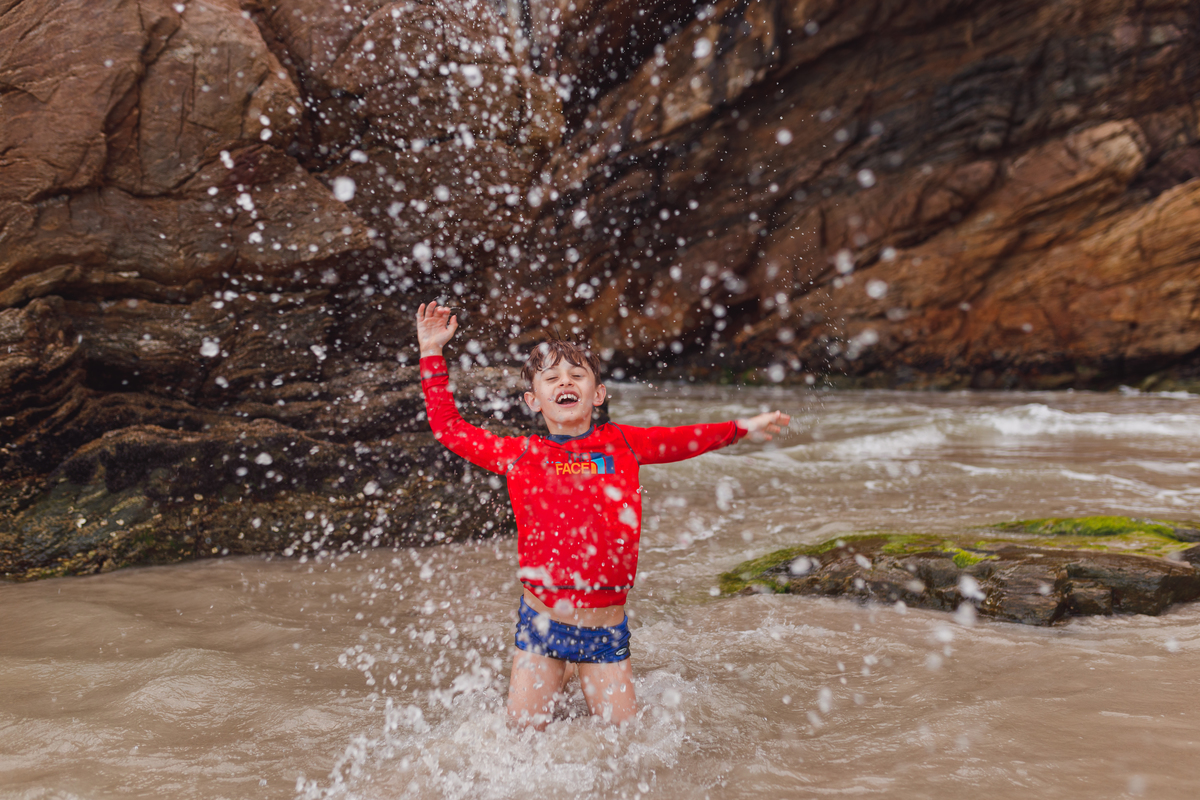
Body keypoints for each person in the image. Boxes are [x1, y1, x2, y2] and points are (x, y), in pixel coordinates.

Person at [415, 300, 789, 729]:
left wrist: (743, 427)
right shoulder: (522, 454)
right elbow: (450, 429)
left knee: (626, 741)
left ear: (598, 393)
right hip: (542, 629)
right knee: (521, 739)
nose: (564, 382)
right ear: (533, 400)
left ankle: (580, 671)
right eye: (551, 378)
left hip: (603, 633)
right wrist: (431, 353)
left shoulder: (623, 444)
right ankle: (560, 672)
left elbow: (686, 439)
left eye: (577, 375)